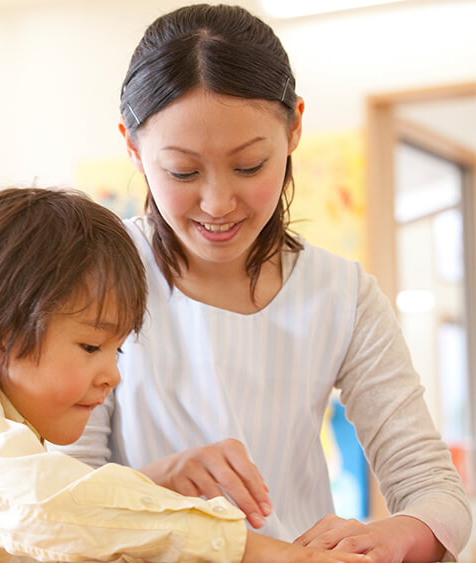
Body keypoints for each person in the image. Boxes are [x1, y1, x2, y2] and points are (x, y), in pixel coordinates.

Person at [54, 4, 472, 562]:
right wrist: (161, 479)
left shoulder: (340, 294)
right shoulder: (95, 275)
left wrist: (394, 537)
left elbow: (436, 492)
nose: (217, 203)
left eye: (249, 165)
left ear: (295, 126)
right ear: (132, 145)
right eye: (182, 172)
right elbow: (53, 500)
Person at [0, 187, 370, 562]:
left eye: (118, 350)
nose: (112, 375)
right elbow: (42, 505)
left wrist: (157, 483)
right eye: (92, 344)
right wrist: (252, 549)